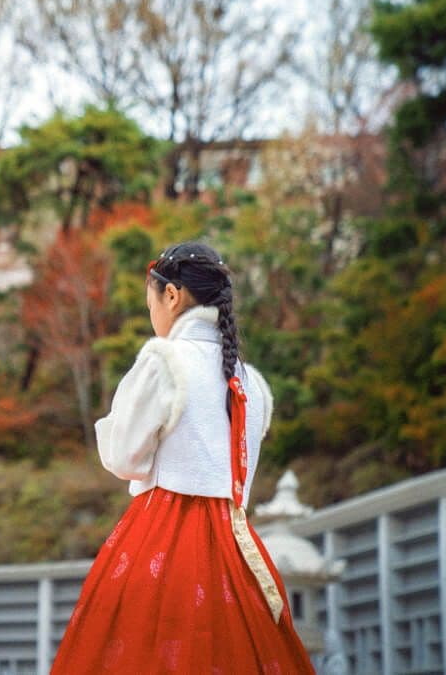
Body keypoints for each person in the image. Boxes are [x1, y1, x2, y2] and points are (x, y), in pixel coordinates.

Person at [49, 241, 315, 673]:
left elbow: (124, 458)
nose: (152, 314)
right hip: (235, 552)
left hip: (162, 540)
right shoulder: (252, 383)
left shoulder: (165, 362)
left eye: (151, 301)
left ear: (171, 296)